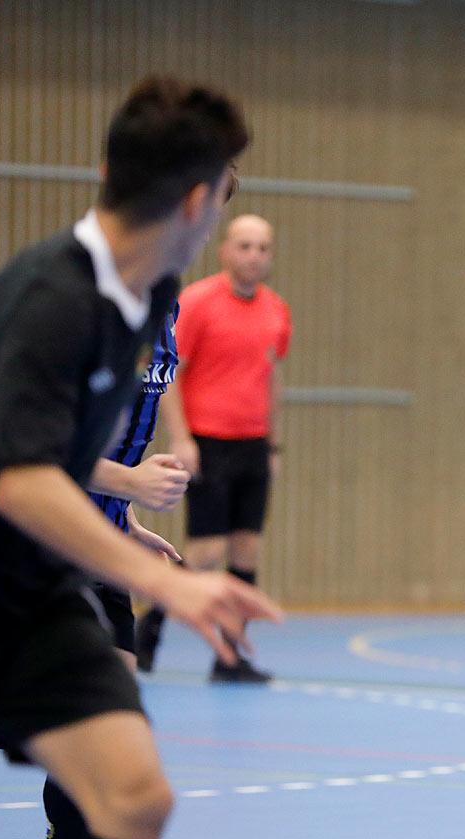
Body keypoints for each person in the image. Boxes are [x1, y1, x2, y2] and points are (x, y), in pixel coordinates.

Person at [0, 77, 279, 839]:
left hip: (31, 584)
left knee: (132, 794)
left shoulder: (148, 294)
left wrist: (125, 543)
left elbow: (68, 462)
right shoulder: (55, 293)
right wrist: (165, 579)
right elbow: (20, 476)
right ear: (200, 203)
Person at [38, 303, 186, 839]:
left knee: (113, 724)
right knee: (86, 729)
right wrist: (131, 483)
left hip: (103, 547)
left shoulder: (166, 319)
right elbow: (48, 449)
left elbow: (118, 438)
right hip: (46, 546)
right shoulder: (93, 312)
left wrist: (127, 521)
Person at [134, 213, 289, 683]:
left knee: (246, 551)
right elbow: (171, 371)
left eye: (262, 247)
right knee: (204, 553)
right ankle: (151, 629)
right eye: (245, 246)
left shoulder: (277, 311)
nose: (253, 256)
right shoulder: (198, 303)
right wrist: (182, 437)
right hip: (209, 441)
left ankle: (231, 657)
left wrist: (274, 446)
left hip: (252, 444)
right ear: (225, 251)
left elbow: (273, 379)